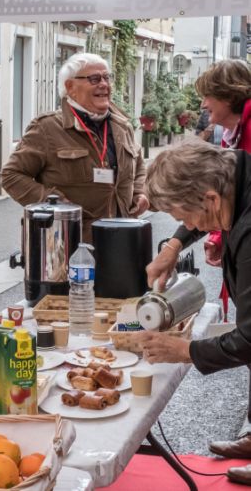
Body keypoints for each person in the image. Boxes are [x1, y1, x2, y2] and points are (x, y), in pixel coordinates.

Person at [148, 59, 251, 472]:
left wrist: (187, 350)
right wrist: (174, 244)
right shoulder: (235, 168)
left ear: (209, 199)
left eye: (185, 215)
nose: (189, 225)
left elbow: (250, 338)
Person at [1, 52, 148, 243]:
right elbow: (11, 175)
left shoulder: (122, 126)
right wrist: (53, 203)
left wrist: (140, 192)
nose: (104, 84)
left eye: (107, 77)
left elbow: (138, 164)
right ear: (70, 87)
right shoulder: (46, 128)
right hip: (70, 242)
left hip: (122, 239)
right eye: (94, 79)